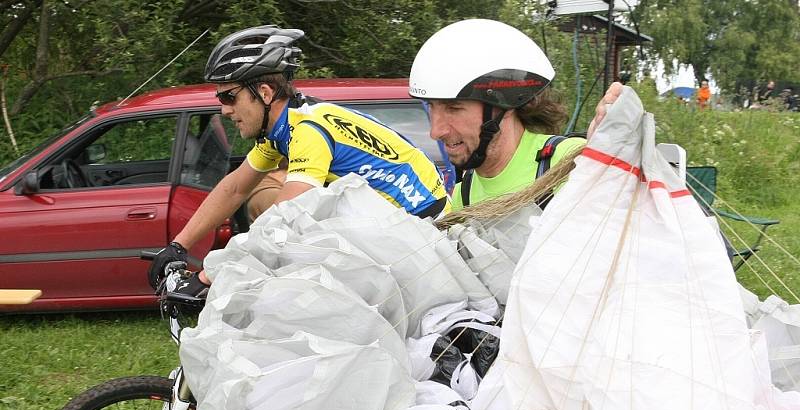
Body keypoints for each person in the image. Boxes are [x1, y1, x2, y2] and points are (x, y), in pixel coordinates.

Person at [148, 25, 448, 292]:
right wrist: (178, 246)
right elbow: (234, 188)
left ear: (264, 93)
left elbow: (282, 220)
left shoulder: (308, 130)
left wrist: (206, 278)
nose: (224, 110)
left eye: (229, 97)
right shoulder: (283, 130)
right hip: (396, 232)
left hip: (423, 233)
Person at [408, 19, 621, 210]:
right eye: (431, 107)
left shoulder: (568, 164)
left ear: (504, 105)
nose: (435, 132)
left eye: (453, 108)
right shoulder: (465, 193)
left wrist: (606, 160)